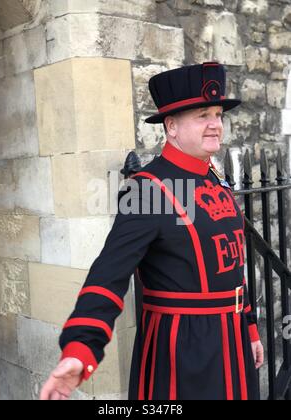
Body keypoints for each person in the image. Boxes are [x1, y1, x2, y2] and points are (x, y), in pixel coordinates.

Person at [40, 62, 264, 401]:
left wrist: (249, 328)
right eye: (203, 115)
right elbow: (109, 274)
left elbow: (231, 261)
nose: (215, 124)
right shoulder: (147, 190)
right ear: (171, 126)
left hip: (233, 343)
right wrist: (81, 348)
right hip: (182, 352)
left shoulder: (216, 178)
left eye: (218, 114)